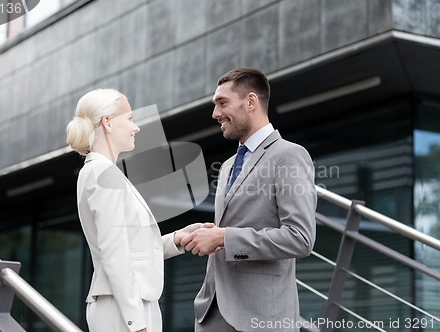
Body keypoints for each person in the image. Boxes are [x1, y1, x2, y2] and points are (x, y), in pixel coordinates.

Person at [181, 68, 317, 331]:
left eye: (223, 103)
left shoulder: (289, 156)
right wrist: (211, 235)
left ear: (251, 101)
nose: (215, 114)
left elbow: (300, 238)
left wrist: (225, 238)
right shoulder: (228, 166)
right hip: (212, 313)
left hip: (260, 318)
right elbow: (232, 225)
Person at [66, 88, 208, 332]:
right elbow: (114, 254)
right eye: (130, 119)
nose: (136, 127)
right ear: (107, 123)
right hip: (123, 310)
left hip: (126, 304)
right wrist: (137, 323)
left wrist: (177, 239)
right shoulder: (102, 173)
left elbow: (130, 248)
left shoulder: (103, 172)